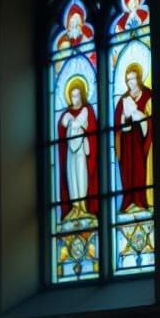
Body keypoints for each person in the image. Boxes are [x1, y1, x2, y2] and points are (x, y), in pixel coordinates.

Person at [58, 77, 98, 222]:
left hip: (81, 150)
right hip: (70, 152)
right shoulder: (67, 113)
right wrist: (68, 122)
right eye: (72, 96)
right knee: (71, 176)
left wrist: (76, 123)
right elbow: (62, 128)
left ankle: (83, 207)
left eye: (77, 95)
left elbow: (89, 126)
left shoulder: (87, 110)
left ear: (82, 94)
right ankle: (75, 208)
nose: (75, 99)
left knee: (81, 175)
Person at [114, 64, 153, 214]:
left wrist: (138, 115)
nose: (132, 83)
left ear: (139, 78)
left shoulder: (148, 95)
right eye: (128, 80)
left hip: (141, 144)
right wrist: (125, 119)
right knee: (128, 170)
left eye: (134, 79)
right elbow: (117, 126)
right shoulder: (122, 101)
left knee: (140, 169)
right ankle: (129, 201)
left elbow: (149, 124)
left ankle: (141, 201)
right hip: (126, 144)